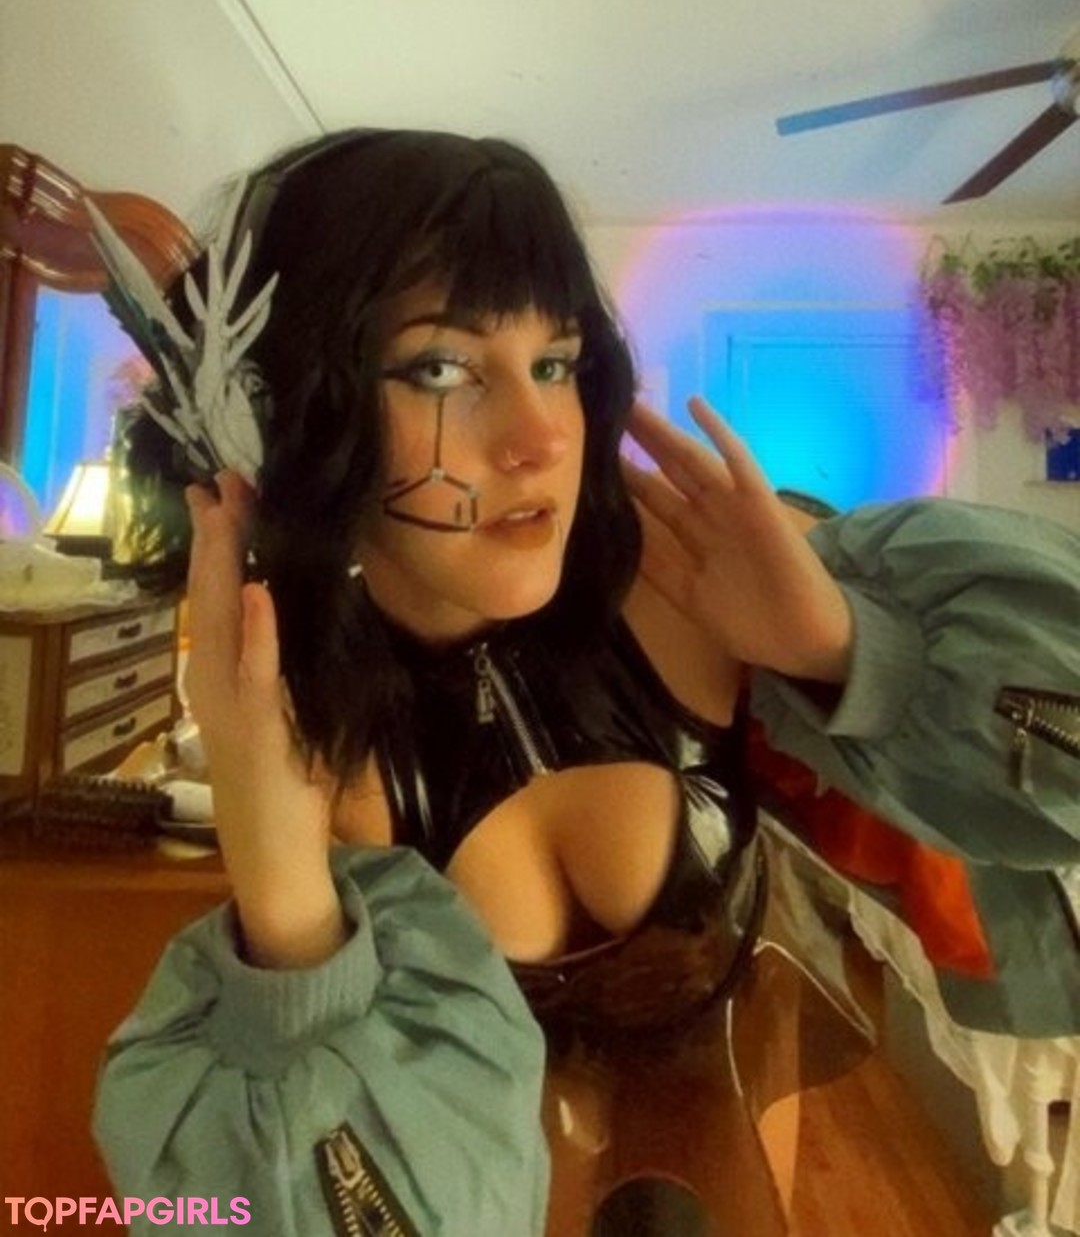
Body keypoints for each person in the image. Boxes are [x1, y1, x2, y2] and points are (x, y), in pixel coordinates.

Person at [89, 129, 1080, 1236]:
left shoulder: (686, 578)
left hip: (748, 1160)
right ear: (297, 404)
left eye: (554, 363)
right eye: (442, 368)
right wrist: (287, 920)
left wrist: (848, 649)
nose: (541, 437)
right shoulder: (287, 723)